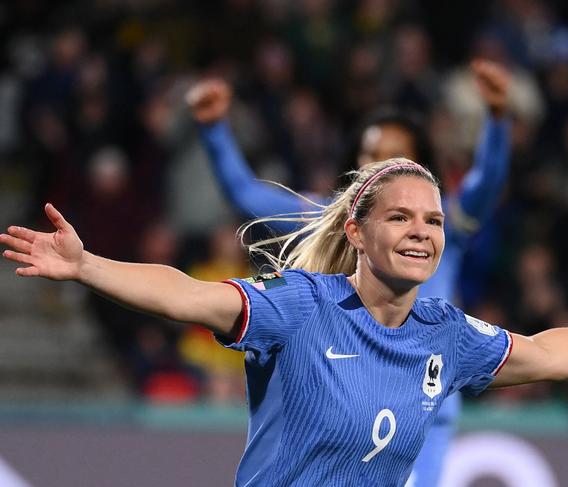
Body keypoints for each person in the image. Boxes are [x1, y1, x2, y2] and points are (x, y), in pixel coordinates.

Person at [5, 159, 568, 486]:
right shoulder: (301, 306)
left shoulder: (446, 335)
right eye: (400, 218)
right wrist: (89, 267)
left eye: (433, 222)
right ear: (357, 233)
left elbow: (548, 353)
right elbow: (188, 295)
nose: (421, 233)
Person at [187, 59, 512, 486]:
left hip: (423, 407)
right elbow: (246, 193)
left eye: (394, 156)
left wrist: (499, 121)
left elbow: (487, 181)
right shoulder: (331, 217)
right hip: (349, 404)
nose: (378, 164)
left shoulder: (440, 220)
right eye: (370, 154)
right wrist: (214, 131)